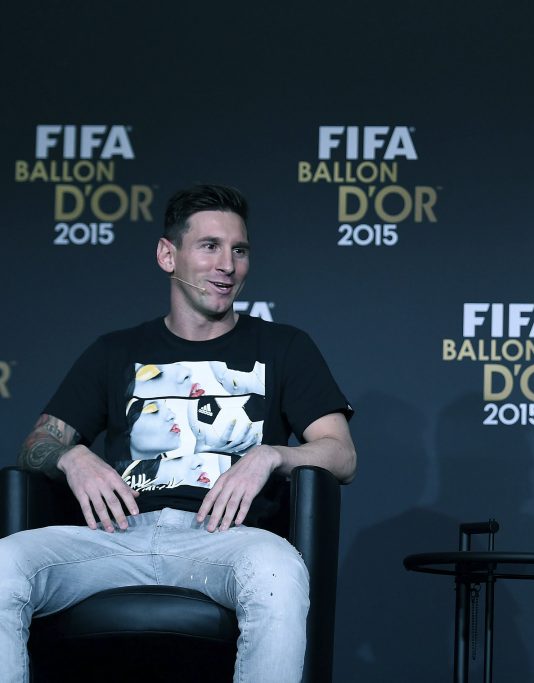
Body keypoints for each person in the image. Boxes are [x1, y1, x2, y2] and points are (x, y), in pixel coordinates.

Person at [1, 184, 357, 682]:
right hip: (116, 538)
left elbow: (342, 455)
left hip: (226, 543)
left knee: (277, 570)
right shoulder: (115, 350)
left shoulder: (284, 346)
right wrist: (71, 456)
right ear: (168, 255)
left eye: (239, 250)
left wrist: (273, 455)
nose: (227, 265)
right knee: (4, 563)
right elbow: (36, 444)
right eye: (210, 246)